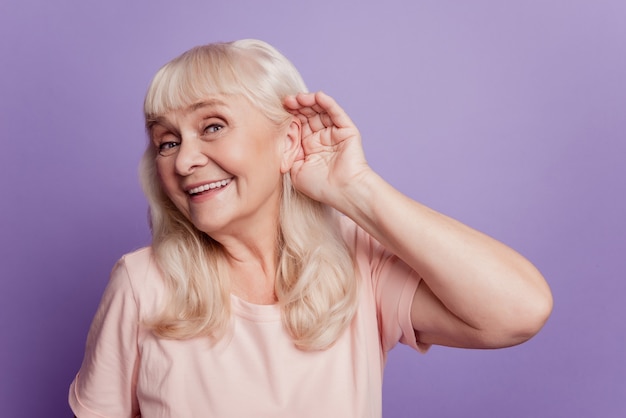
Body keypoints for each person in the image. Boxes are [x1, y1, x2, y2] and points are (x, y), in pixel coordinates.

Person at [68, 39, 552, 417]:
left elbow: (519, 311)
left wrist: (357, 189)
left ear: (288, 141)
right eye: (166, 141)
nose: (185, 160)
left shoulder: (356, 264)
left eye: (212, 126)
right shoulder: (141, 281)